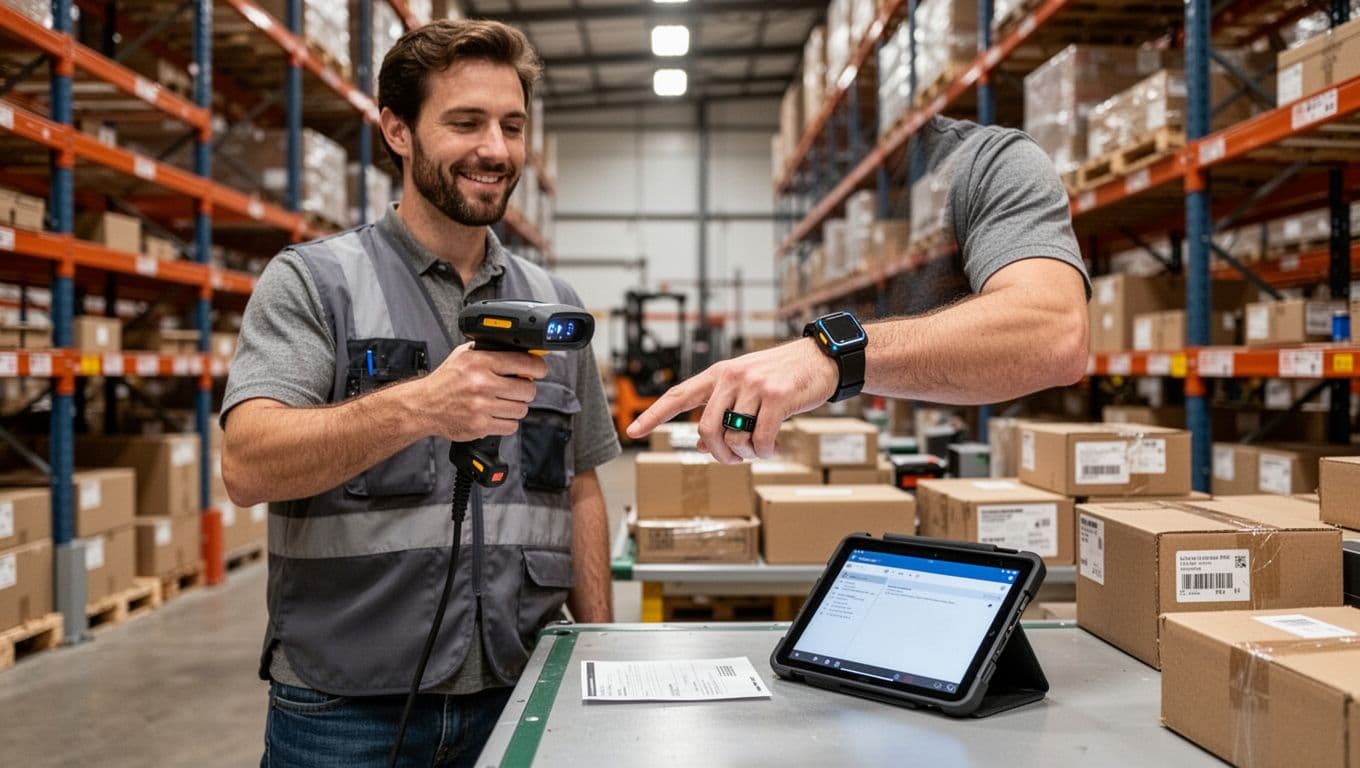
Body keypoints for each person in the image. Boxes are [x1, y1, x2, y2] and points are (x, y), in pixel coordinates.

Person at [220, 20, 619, 767]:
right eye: (465, 123)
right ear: (397, 130)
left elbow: (582, 483)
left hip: (521, 685)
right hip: (346, 709)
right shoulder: (315, 283)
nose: (495, 151)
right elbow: (247, 464)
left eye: (511, 125)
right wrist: (420, 407)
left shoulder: (552, 302)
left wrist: (597, 650)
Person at [628, 115, 1091, 461]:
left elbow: (1056, 333)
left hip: (985, 492)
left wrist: (832, 355)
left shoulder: (992, 162)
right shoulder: (822, 216)